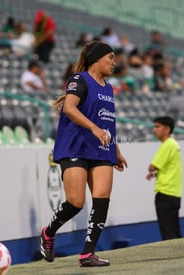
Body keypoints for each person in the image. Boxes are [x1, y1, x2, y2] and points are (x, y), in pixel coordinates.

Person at [40, 41, 127, 267]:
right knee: (76, 202)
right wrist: (94, 129)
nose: (114, 62)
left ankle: (87, 254)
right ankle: (49, 232)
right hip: (75, 147)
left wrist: (116, 149)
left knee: (101, 199)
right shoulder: (79, 80)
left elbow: (107, 121)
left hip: (102, 149)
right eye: (110, 57)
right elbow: (69, 108)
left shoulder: (108, 87)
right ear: (96, 59)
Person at [146, 116, 183, 240]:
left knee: (168, 232)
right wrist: (156, 173)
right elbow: (168, 168)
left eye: (157, 126)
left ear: (167, 129)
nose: (154, 130)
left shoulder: (167, 145)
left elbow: (152, 166)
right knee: (174, 229)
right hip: (174, 193)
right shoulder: (174, 144)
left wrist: (152, 170)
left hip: (165, 192)